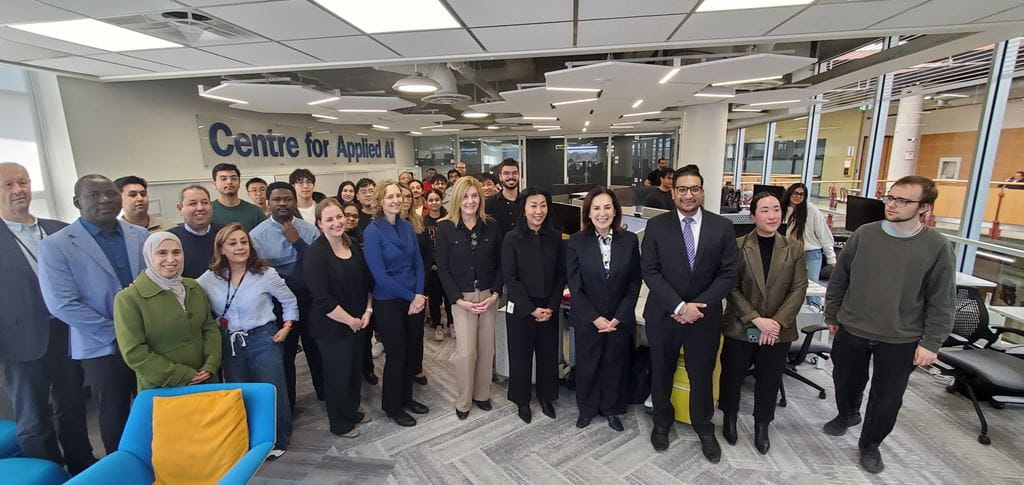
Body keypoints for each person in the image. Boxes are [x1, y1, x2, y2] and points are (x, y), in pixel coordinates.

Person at [823, 175, 955, 474]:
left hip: (901, 337)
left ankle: (870, 444)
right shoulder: (864, 234)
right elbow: (840, 277)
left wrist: (931, 343)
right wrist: (832, 314)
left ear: (924, 207)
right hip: (852, 328)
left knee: (887, 399)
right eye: (891, 197)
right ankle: (848, 414)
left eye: (903, 200)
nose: (893, 204)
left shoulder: (937, 246)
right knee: (846, 381)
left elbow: (942, 299)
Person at [38, 174, 150, 456]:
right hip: (102, 346)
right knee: (115, 413)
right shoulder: (56, 245)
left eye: (110, 194)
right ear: (77, 202)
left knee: (155, 406)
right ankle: (124, 470)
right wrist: (118, 331)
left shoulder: (140, 236)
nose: (104, 200)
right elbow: (61, 303)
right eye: (94, 195)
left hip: (149, 339)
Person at [0, 162, 95, 473]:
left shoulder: (58, 230)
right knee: (33, 417)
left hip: (68, 335)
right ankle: (47, 473)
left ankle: (82, 465)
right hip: (20, 343)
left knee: (73, 405)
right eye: (9, 185)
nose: (18, 191)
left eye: (23, 183)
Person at [642, 166, 738, 461]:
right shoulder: (657, 226)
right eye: (682, 189)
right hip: (664, 314)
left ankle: (703, 426)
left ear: (702, 191)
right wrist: (679, 306)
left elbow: (728, 274)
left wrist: (697, 307)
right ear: (673, 193)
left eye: (694, 188)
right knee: (661, 372)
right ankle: (661, 422)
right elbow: (650, 271)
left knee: (701, 374)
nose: (688, 194)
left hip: (704, 317)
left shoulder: (721, 227)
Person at [719, 192, 807, 455]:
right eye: (765, 210)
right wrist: (757, 320)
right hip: (742, 325)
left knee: (769, 380)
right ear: (753, 215)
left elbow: (799, 288)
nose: (772, 215)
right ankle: (730, 418)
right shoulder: (737, 246)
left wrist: (775, 323)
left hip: (777, 331)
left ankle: (762, 425)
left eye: (776, 210)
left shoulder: (794, 249)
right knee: (732, 376)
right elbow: (731, 288)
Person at [198, 223, 296, 456]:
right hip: (230, 342)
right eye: (232, 243)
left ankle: (278, 440)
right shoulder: (209, 279)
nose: (240, 247)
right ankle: (249, 438)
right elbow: (183, 290)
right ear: (221, 249)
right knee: (240, 391)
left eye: (244, 242)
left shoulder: (265, 274)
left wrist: (287, 326)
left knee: (272, 389)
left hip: (263, 337)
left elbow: (289, 301)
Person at [567, 188, 641, 432]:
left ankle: (611, 410)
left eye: (607, 207)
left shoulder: (629, 241)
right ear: (588, 212)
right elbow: (575, 286)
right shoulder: (576, 242)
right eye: (596, 208)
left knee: (614, 365)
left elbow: (634, 282)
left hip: (619, 317)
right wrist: (596, 318)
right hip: (589, 318)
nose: (602, 213)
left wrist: (619, 316)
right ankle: (587, 410)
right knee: (588, 365)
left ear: (615, 211)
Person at [114, 232, 221, 390]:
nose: (171, 259)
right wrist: (181, 375)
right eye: (162, 253)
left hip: (205, 380)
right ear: (149, 256)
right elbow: (134, 352)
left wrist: (210, 365)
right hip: (162, 387)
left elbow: (209, 328)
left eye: (176, 252)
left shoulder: (193, 286)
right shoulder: (128, 298)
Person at [250, 182, 325, 410]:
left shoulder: (310, 230)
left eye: (287, 199)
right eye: (277, 199)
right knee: (286, 357)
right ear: (268, 202)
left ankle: (325, 394)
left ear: (294, 201)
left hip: (311, 302)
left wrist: (298, 241)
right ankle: (288, 405)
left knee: (317, 352)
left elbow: (318, 266)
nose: (282, 203)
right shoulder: (256, 236)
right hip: (279, 308)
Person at [305, 199, 374, 438]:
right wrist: (350, 321)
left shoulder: (353, 244)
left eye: (339, 217)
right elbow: (322, 299)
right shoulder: (315, 254)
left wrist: (367, 312)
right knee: (338, 376)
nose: (337, 223)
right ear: (319, 224)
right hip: (332, 327)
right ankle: (339, 423)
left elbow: (366, 283)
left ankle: (351, 411)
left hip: (358, 322)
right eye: (330, 219)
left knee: (354, 372)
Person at [362, 179, 429, 426]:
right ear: (380, 201)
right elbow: (379, 276)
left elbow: (418, 263)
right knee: (396, 354)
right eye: (389, 197)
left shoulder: (408, 226)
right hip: (389, 300)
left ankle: (407, 398)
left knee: (411, 352)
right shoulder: (372, 232)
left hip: (413, 298)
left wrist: (419, 295)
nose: (396, 200)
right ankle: (392, 406)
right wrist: (412, 296)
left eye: (398, 196)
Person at [436, 177, 503, 420]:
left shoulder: (491, 225)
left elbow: (501, 264)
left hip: (487, 296)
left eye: (475, 196)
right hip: (462, 298)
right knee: (466, 352)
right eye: (465, 196)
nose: (471, 201)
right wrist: (456, 299)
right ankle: (464, 400)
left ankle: (482, 394)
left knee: (487, 349)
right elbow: (442, 268)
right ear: (457, 199)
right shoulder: (445, 228)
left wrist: (495, 294)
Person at [503, 187, 566, 423]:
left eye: (543, 205)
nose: (538, 211)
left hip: (548, 306)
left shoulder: (555, 236)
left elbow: (562, 275)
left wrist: (551, 306)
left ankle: (546, 396)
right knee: (520, 355)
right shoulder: (511, 238)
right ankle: (522, 400)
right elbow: (511, 278)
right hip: (521, 307)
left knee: (548, 355)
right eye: (533, 205)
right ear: (524, 208)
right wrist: (530, 308)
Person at [782, 182, 836, 307]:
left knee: (812, 289)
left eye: (802, 194)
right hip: (789, 253)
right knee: (786, 286)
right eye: (795, 193)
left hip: (811, 253)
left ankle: (815, 316)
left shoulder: (810, 209)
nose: (798, 197)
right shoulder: (781, 209)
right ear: (789, 193)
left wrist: (831, 257)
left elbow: (824, 234)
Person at [399, 183, 432, 386]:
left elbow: (428, 254)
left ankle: (416, 367)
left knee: (416, 331)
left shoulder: (419, 223)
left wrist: (421, 283)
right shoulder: (384, 226)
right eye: (401, 196)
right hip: (398, 288)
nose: (405, 201)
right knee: (400, 333)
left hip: (419, 285)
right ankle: (402, 368)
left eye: (409, 197)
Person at [167, 185, 224, 279]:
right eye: (193, 204)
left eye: (205, 203)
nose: (200, 208)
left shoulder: (225, 234)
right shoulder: (170, 239)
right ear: (180, 208)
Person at [423, 189, 451, 340]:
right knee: (434, 298)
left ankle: (451, 323)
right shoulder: (423, 222)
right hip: (432, 268)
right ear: (426, 202)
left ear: (441, 200)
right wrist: (432, 263)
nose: (434, 202)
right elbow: (425, 247)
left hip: (448, 267)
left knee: (449, 296)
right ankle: (437, 325)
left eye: (437, 199)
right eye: (431, 200)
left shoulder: (449, 219)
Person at [210, 163, 265, 231]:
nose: (229, 182)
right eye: (223, 179)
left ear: (239, 182)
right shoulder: (207, 211)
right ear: (214, 183)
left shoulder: (256, 212)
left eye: (234, 178)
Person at [486, 158, 521, 237]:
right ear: (500, 177)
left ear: (519, 175)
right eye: (506, 173)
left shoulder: (526, 202)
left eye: (514, 173)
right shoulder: (489, 204)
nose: (511, 176)